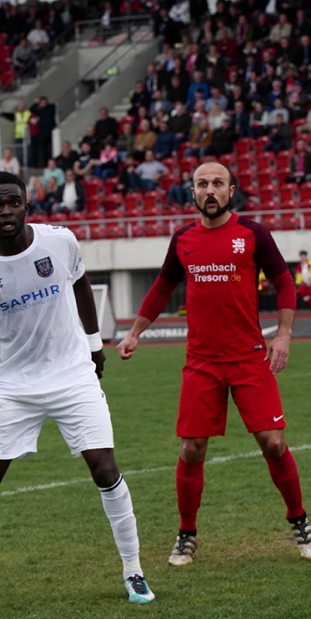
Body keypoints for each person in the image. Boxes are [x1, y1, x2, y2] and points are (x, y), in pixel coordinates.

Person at [0, 172, 155, 606]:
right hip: (14, 387)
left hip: (72, 376)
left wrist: (94, 345)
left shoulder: (60, 242)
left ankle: (134, 572)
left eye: (12, 202)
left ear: (26, 206)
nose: (6, 211)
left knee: (104, 468)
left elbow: (81, 285)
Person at [117, 162, 310, 563]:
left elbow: (284, 282)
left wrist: (284, 334)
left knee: (274, 444)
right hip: (202, 363)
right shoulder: (183, 239)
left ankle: (300, 521)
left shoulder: (253, 234)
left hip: (249, 358)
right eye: (202, 184)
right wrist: (135, 332)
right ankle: (186, 533)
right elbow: (162, 287)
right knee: (191, 449)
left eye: (218, 183)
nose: (210, 190)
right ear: (192, 192)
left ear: (230, 191)